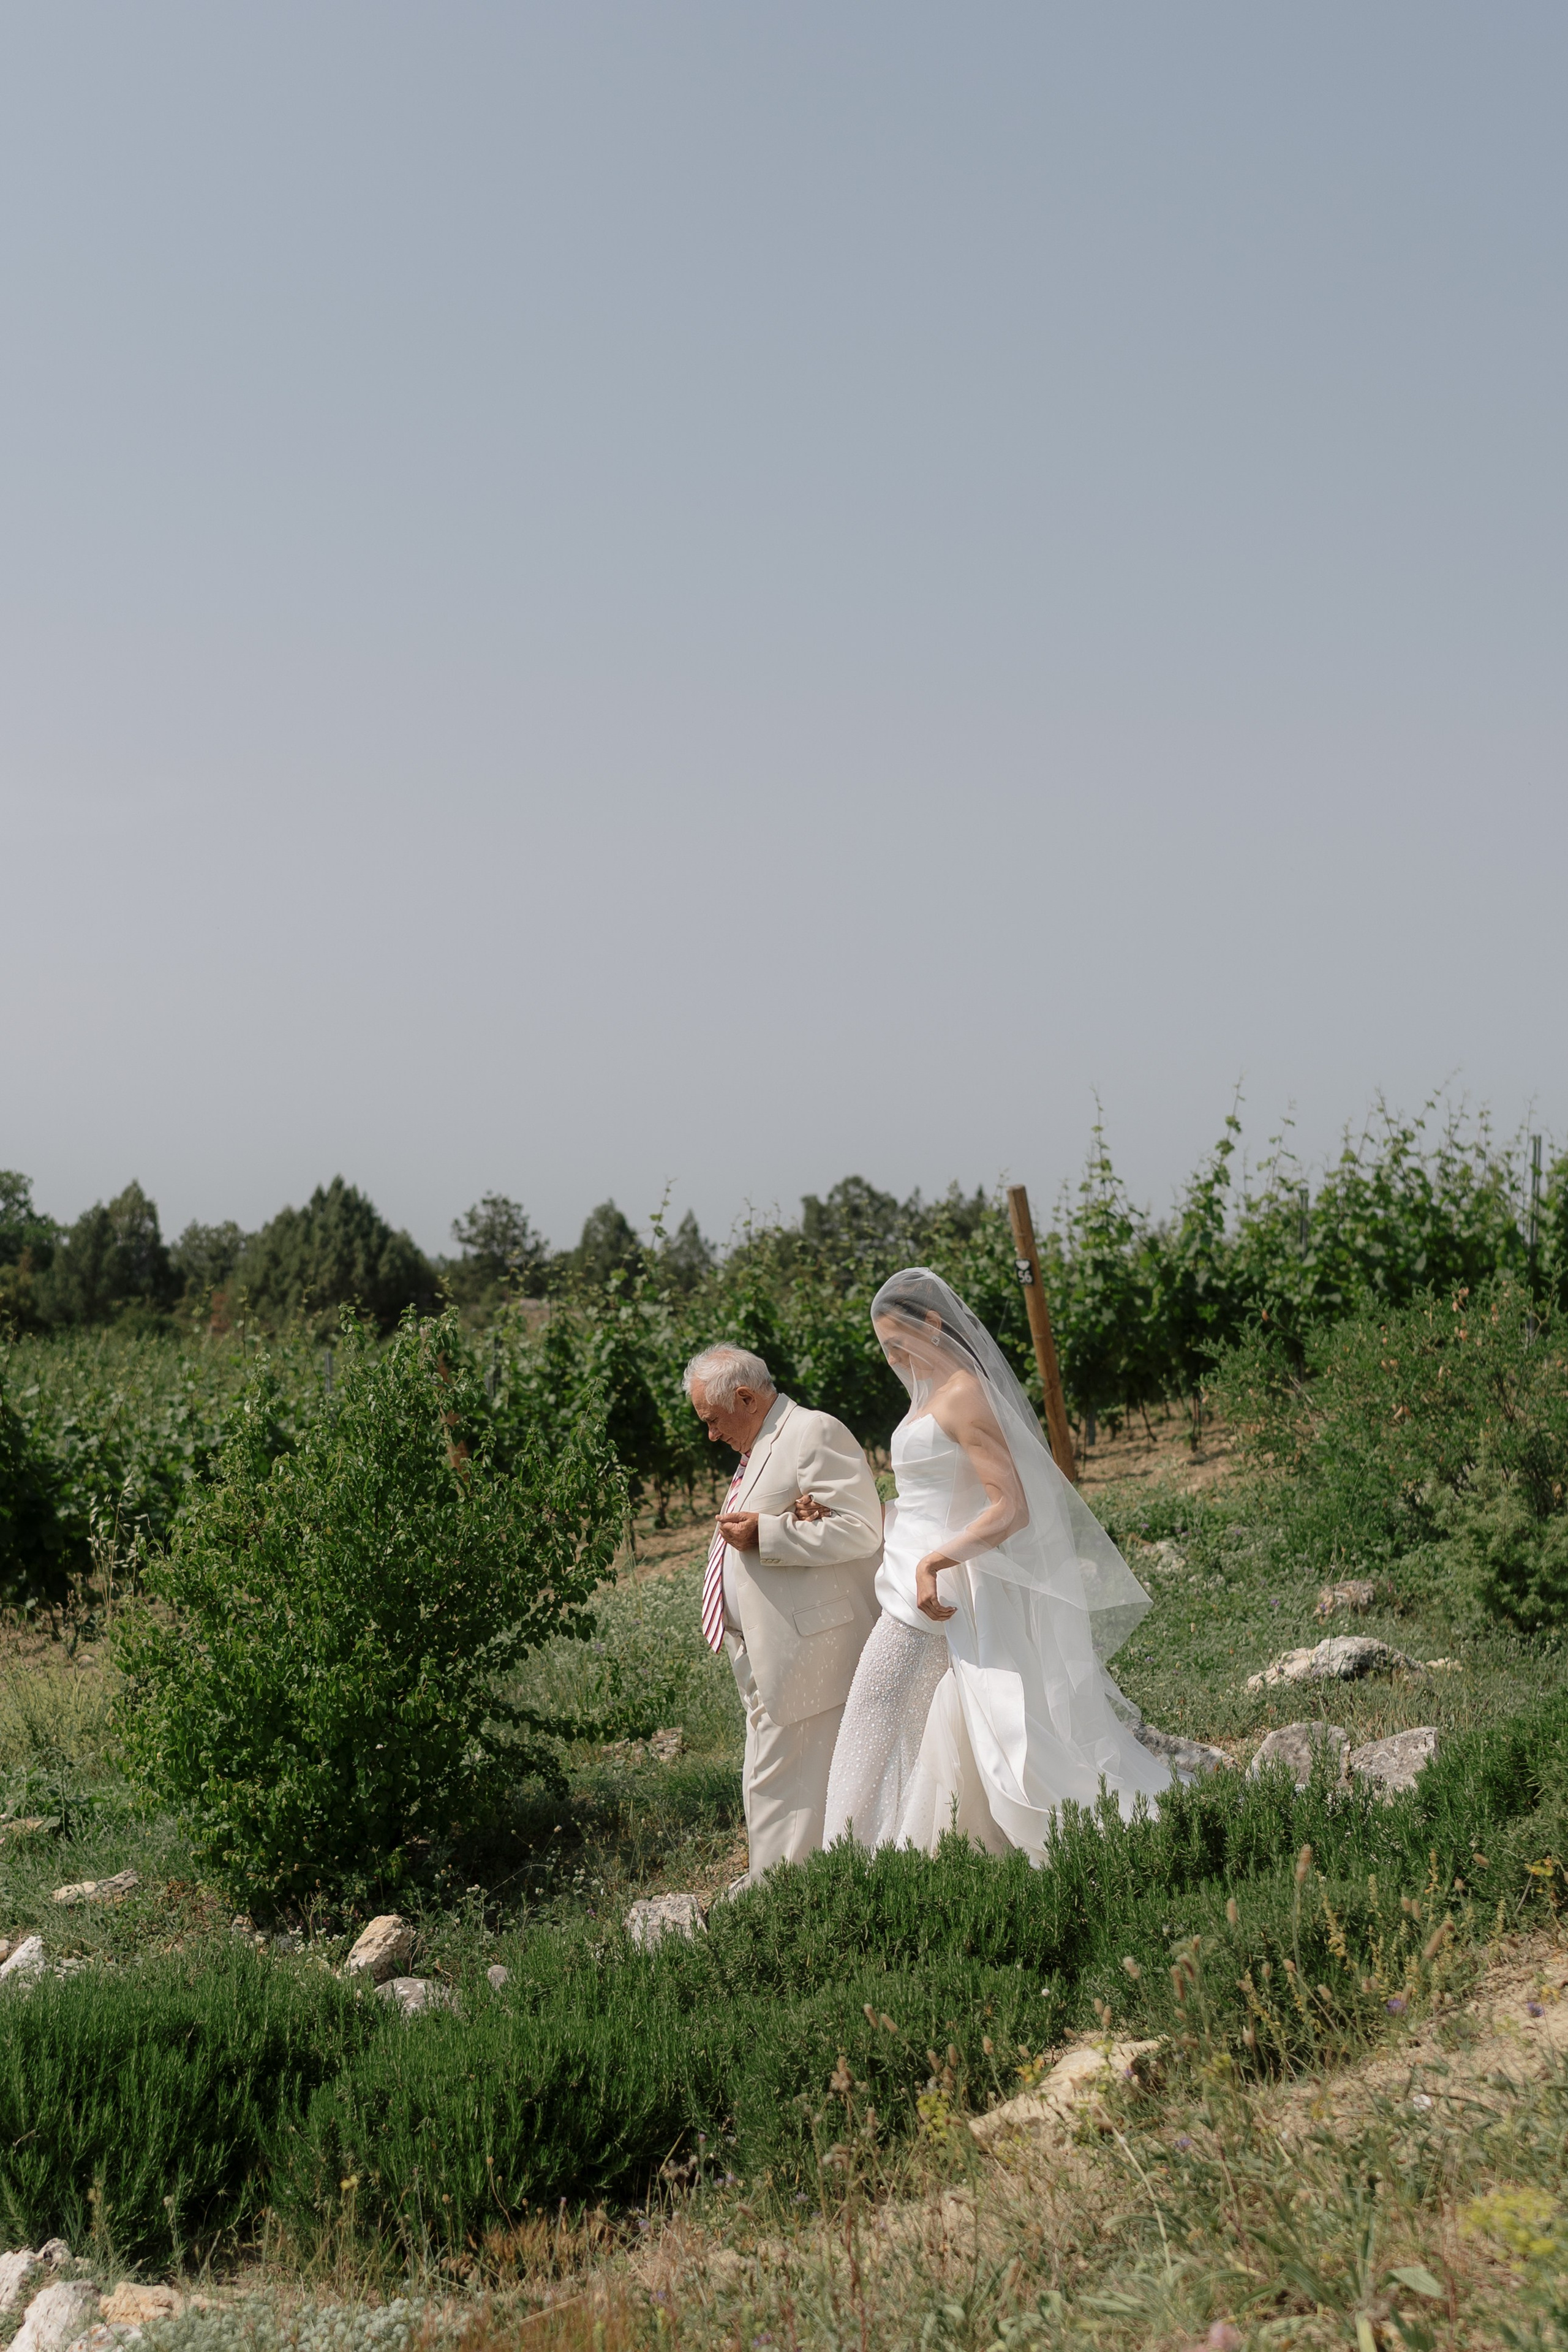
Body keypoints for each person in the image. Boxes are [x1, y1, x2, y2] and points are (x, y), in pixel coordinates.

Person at [821, 1268, 1170, 1860]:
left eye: (898, 1343)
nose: (893, 1358)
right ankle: (892, 1855)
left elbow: (1011, 1507)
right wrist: (840, 1510)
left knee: (873, 1712)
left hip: (939, 1589)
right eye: (884, 1349)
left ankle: (847, 1866)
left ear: (932, 1323)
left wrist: (936, 1559)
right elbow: (927, 1500)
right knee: (898, 1722)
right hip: (912, 1580)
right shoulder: (927, 1397)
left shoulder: (964, 1392)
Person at [684, 1344, 883, 1882]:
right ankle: (786, 1890)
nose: (711, 1434)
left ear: (746, 1397)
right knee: (773, 1780)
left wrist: (767, 1533)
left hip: (808, 1646)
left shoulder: (812, 1432)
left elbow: (863, 1529)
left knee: (782, 1785)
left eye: (713, 1420)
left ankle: (779, 1901)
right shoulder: (764, 1444)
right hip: (768, 1647)